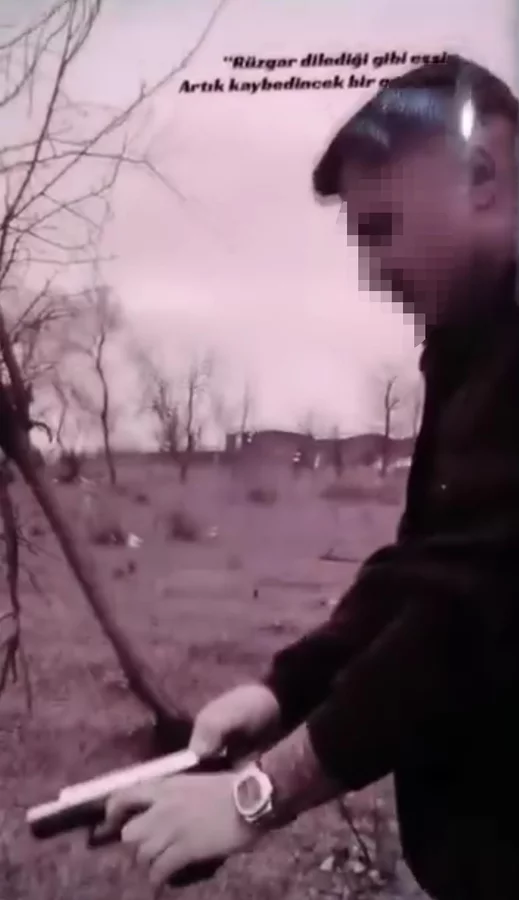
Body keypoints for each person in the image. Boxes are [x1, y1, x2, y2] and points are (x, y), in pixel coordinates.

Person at [103, 55, 519, 899]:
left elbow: (469, 610)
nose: (373, 274)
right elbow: (424, 566)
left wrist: (256, 797)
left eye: (383, 228)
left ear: (481, 177)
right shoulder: (469, 341)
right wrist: (280, 693)